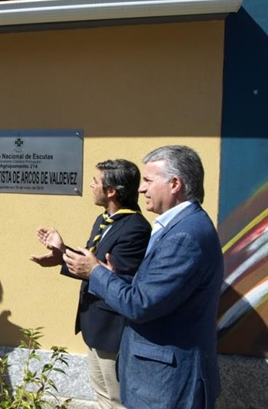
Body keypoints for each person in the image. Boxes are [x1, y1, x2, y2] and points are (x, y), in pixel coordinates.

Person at [64, 145, 223, 409]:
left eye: (148, 181)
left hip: (166, 384)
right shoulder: (179, 225)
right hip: (159, 379)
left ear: (174, 183)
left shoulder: (184, 235)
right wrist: (115, 277)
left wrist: (96, 272)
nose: (140, 188)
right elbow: (157, 293)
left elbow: (141, 305)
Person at [30, 159, 151, 409]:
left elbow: (115, 281)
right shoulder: (103, 220)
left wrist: (80, 261)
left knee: (118, 400)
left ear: (111, 191)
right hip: (93, 323)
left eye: (96, 181)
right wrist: (60, 253)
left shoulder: (135, 228)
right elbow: (91, 266)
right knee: (102, 395)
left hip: (113, 329)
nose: (91, 185)